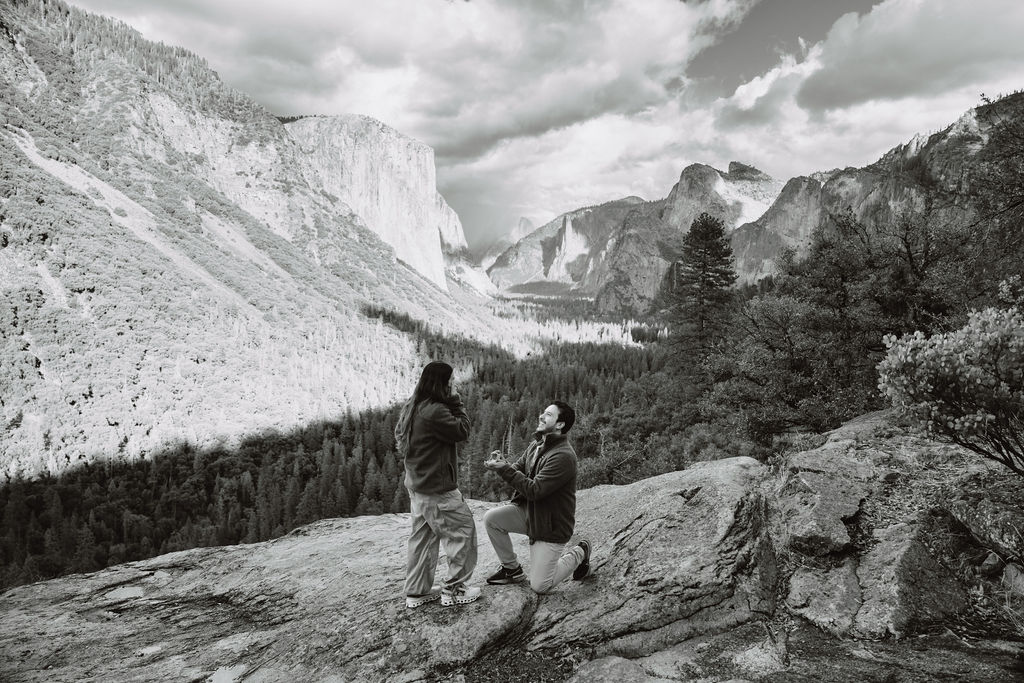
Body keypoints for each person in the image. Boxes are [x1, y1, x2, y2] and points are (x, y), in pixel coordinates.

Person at [394, 361, 480, 608]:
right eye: (451, 380)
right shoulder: (435, 411)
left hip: (418, 486)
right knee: (462, 532)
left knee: (423, 538)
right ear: (441, 383)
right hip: (437, 489)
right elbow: (462, 430)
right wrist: (456, 401)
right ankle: (455, 590)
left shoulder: (415, 406)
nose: (454, 384)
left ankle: (417, 591)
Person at [482, 401, 591, 594]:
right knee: (492, 519)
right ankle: (512, 570)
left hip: (550, 525)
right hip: (530, 513)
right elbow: (517, 470)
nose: (541, 416)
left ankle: (580, 552)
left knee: (540, 586)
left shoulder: (563, 456)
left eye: (548, 415)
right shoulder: (536, 445)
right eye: (543, 412)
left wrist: (505, 470)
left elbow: (535, 490)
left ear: (560, 425)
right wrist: (502, 464)